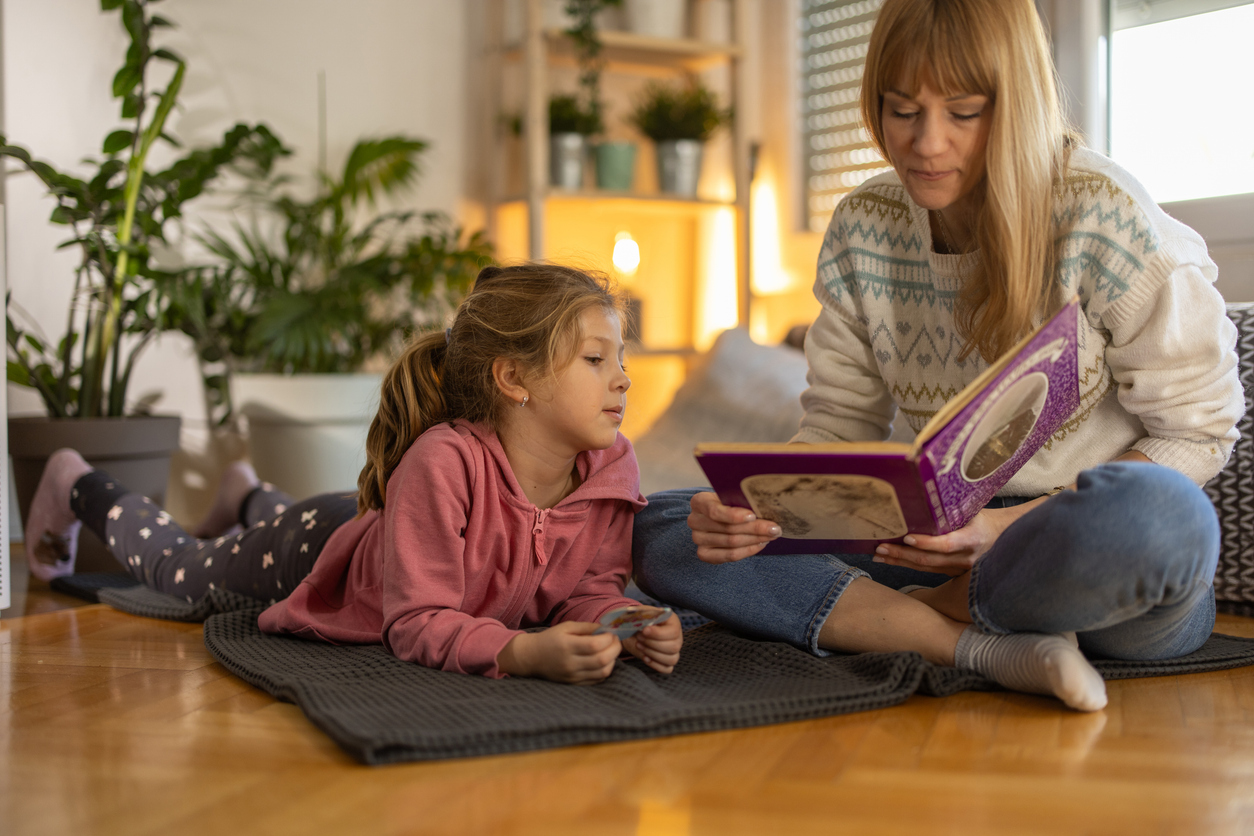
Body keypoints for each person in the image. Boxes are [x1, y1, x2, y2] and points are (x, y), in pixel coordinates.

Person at [633, 0, 1241, 712]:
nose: (926, 143)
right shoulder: (866, 226)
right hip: (920, 543)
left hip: (1085, 558)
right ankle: (971, 643)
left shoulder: (1104, 217)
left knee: (1166, 518)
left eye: (963, 112)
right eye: (901, 110)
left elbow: (1200, 432)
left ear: (1015, 103)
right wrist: (764, 511)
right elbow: (838, 428)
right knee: (664, 525)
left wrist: (996, 531)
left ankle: (927, 615)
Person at [24, 263, 683, 684]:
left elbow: (592, 586)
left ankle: (246, 491)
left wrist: (625, 621)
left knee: (294, 514)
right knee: (183, 571)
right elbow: (416, 620)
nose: (623, 378)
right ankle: (75, 479)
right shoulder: (444, 462)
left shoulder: (610, 468)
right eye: (596, 359)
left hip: (372, 523)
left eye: (619, 357)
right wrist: (519, 653)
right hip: (316, 547)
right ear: (513, 378)